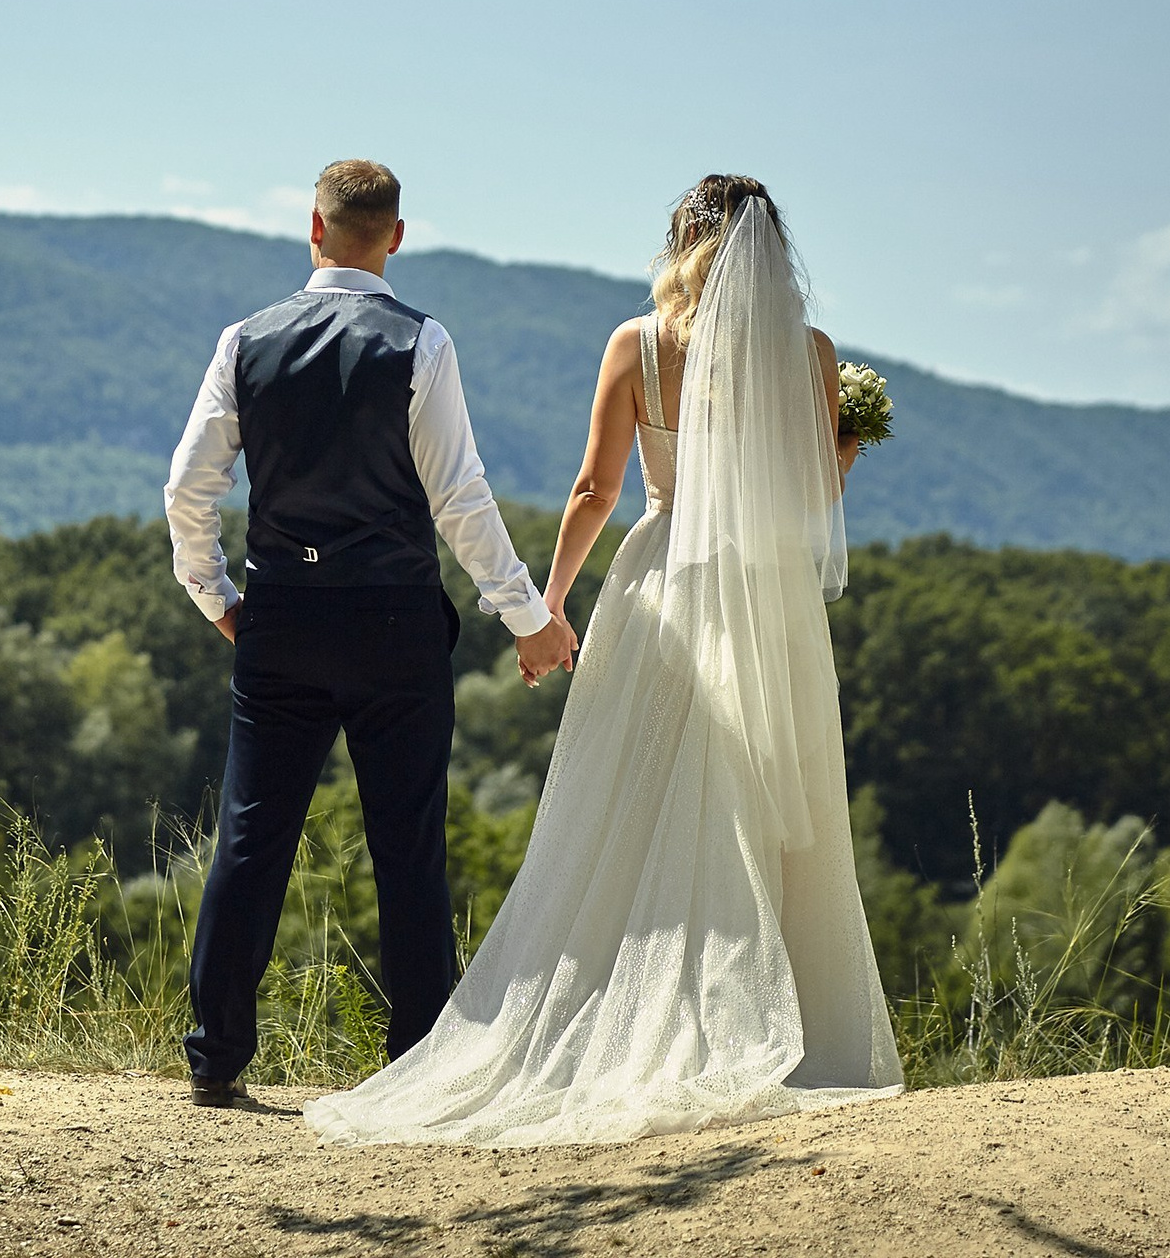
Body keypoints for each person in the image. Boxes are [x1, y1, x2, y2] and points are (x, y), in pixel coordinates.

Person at [306, 173, 903, 1146]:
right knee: (758, 802)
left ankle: (619, 1024)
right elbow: (815, 506)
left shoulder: (640, 345)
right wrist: (842, 451)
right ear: (770, 252)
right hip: (767, 598)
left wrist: (547, 605)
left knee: (627, 801)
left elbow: (594, 486)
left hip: (661, 580)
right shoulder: (810, 355)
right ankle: (775, 1034)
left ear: (679, 244)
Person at [164, 158, 577, 1108]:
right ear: (395, 236)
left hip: (280, 619)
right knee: (407, 844)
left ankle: (215, 1054)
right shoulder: (421, 344)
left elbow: (189, 488)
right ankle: (415, 1061)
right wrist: (529, 618)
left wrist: (217, 595)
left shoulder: (243, 341)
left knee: (250, 838)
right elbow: (460, 500)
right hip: (393, 621)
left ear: (313, 229)